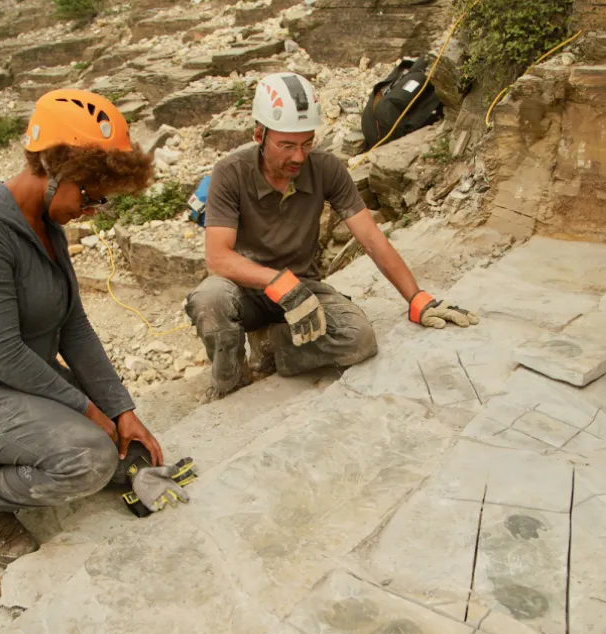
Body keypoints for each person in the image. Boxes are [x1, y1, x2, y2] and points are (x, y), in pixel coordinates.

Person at [0, 89, 171, 567]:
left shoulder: (46, 224)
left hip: (18, 387)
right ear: (56, 169)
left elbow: (73, 326)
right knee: (90, 460)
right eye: (91, 197)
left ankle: (56, 444)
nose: (91, 211)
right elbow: (2, 353)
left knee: (124, 452)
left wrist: (121, 409)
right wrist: (89, 411)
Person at [185, 72, 480, 398]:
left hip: (303, 285)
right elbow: (218, 257)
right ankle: (230, 385)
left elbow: (371, 238)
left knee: (359, 338)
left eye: (306, 143)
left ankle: (268, 345)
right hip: (247, 289)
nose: (298, 157)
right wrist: (278, 283)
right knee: (209, 300)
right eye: (286, 146)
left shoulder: (326, 169)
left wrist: (416, 298)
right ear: (259, 135)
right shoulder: (230, 172)